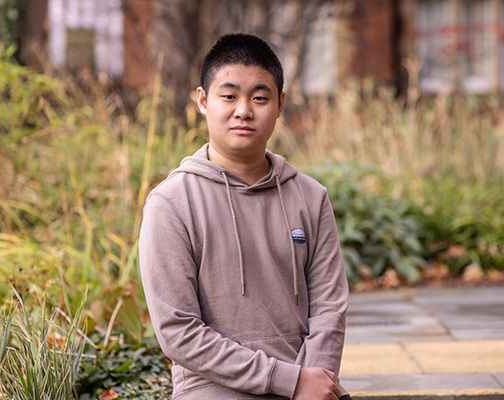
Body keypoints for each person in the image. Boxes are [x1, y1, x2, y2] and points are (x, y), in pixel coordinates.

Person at [139, 33, 350, 400]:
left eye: (259, 98)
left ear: (280, 104)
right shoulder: (171, 203)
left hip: (305, 387)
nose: (243, 111)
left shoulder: (311, 197)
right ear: (203, 101)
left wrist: (312, 382)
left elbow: (330, 308)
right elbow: (178, 332)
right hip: (212, 390)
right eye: (229, 96)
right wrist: (287, 380)